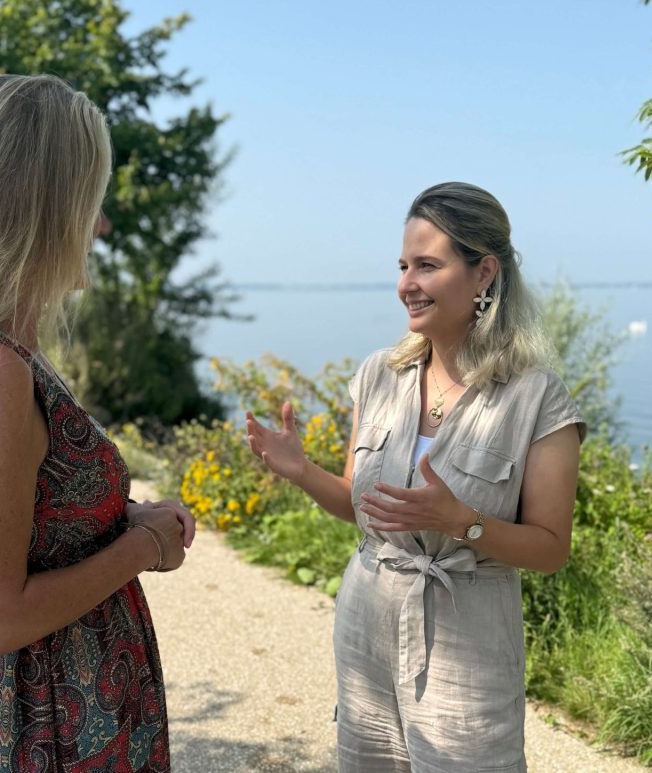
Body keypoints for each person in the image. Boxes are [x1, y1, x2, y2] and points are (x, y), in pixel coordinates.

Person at [0, 74, 194, 772]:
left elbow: (37, 525)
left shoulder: (2, 350)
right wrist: (142, 549)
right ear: (37, 207)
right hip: (49, 727)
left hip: (58, 714)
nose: (100, 224)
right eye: (89, 200)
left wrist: (126, 515)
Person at [246, 182, 585, 772]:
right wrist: (302, 472)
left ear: (483, 273)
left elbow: (552, 549)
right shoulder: (381, 374)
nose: (407, 283)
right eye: (404, 265)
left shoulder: (536, 396)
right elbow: (363, 508)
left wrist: (462, 523)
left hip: (469, 638)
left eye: (427, 265)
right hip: (366, 618)